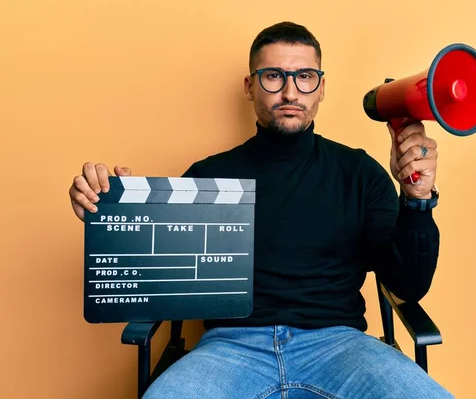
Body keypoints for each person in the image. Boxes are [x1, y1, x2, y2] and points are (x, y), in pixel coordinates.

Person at [69, 21, 452, 398]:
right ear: (250, 86)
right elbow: (158, 276)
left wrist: (417, 199)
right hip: (228, 350)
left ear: (321, 88)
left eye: (304, 76)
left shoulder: (359, 173)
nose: (290, 91)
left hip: (339, 345)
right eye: (273, 76)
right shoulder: (207, 177)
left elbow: (408, 286)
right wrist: (107, 215)